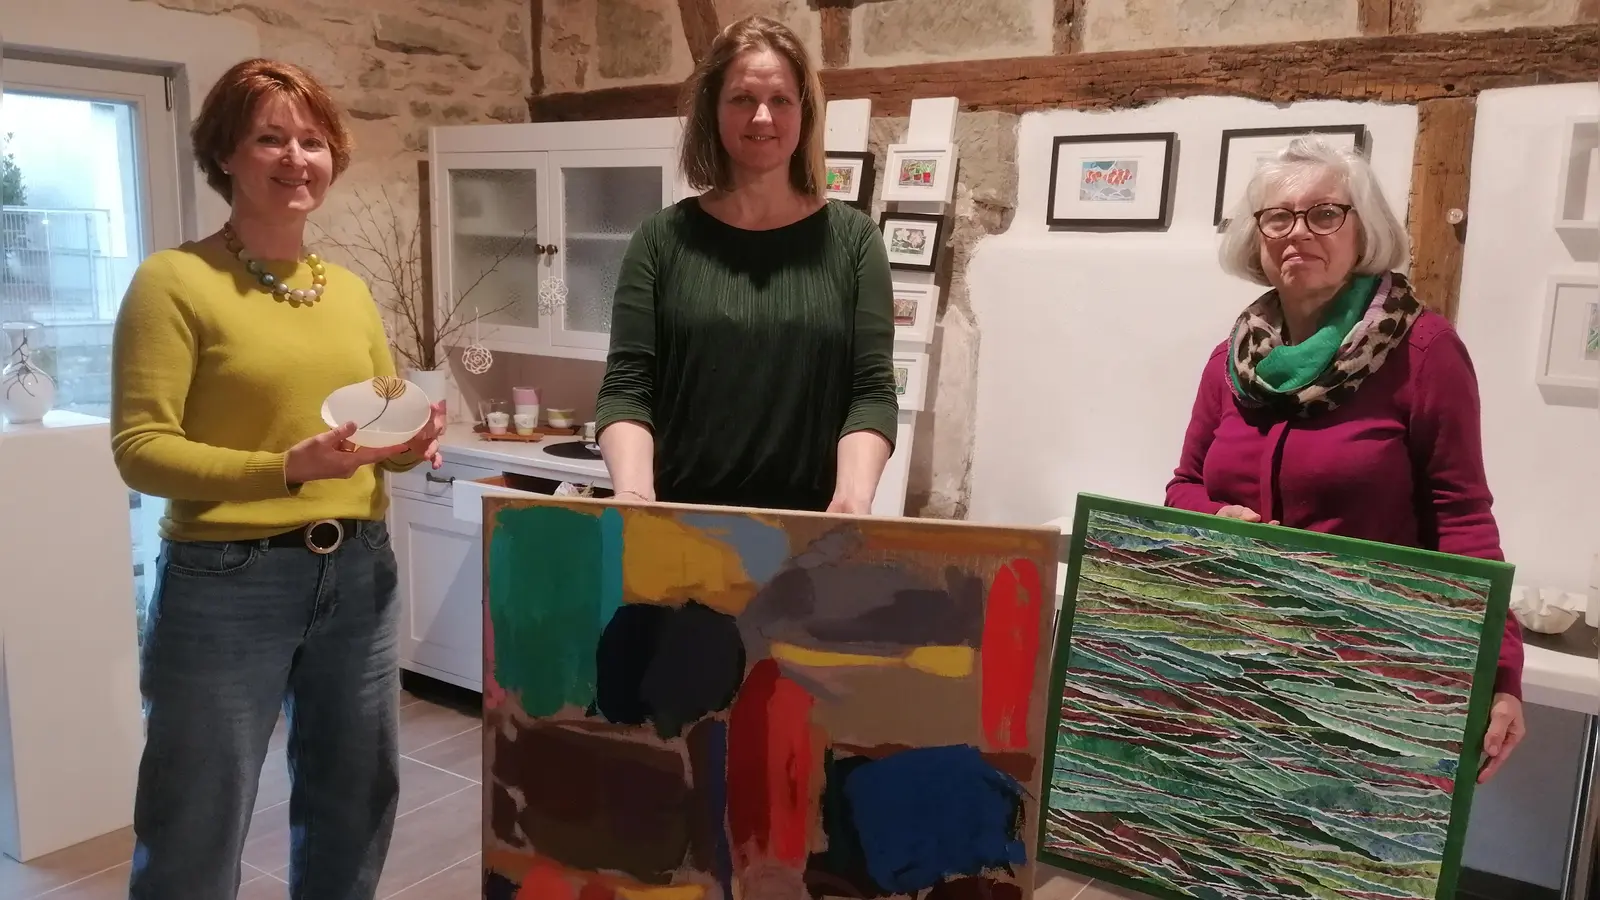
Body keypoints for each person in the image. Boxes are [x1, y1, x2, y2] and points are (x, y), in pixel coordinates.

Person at [109, 58, 446, 898]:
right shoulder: (173, 281)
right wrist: (284, 467)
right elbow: (141, 448)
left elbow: (373, 426)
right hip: (226, 579)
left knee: (355, 800)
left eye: (313, 140)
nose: (297, 158)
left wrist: (411, 443)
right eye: (270, 137)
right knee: (195, 817)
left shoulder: (352, 292)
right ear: (225, 153)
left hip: (360, 568)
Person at [1166, 135, 1525, 783]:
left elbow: (1463, 522)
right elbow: (1183, 488)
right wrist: (1221, 516)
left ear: (1364, 232)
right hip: (1236, 660)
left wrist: (1500, 675)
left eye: (1324, 213)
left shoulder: (1424, 352)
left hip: (1365, 672)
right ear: (1256, 237)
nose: (1297, 231)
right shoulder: (1229, 364)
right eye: (1278, 216)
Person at [594, 15, 898, 514]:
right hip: (679, 530)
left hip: (811, 539)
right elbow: (628, 387)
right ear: (712, 111)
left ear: (804, 114)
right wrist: (632, 493)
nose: (763, 117)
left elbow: (871, 392)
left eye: (780, 100)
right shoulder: (660, 240)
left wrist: (852, 497)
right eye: (742, 99)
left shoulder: (855, 241)